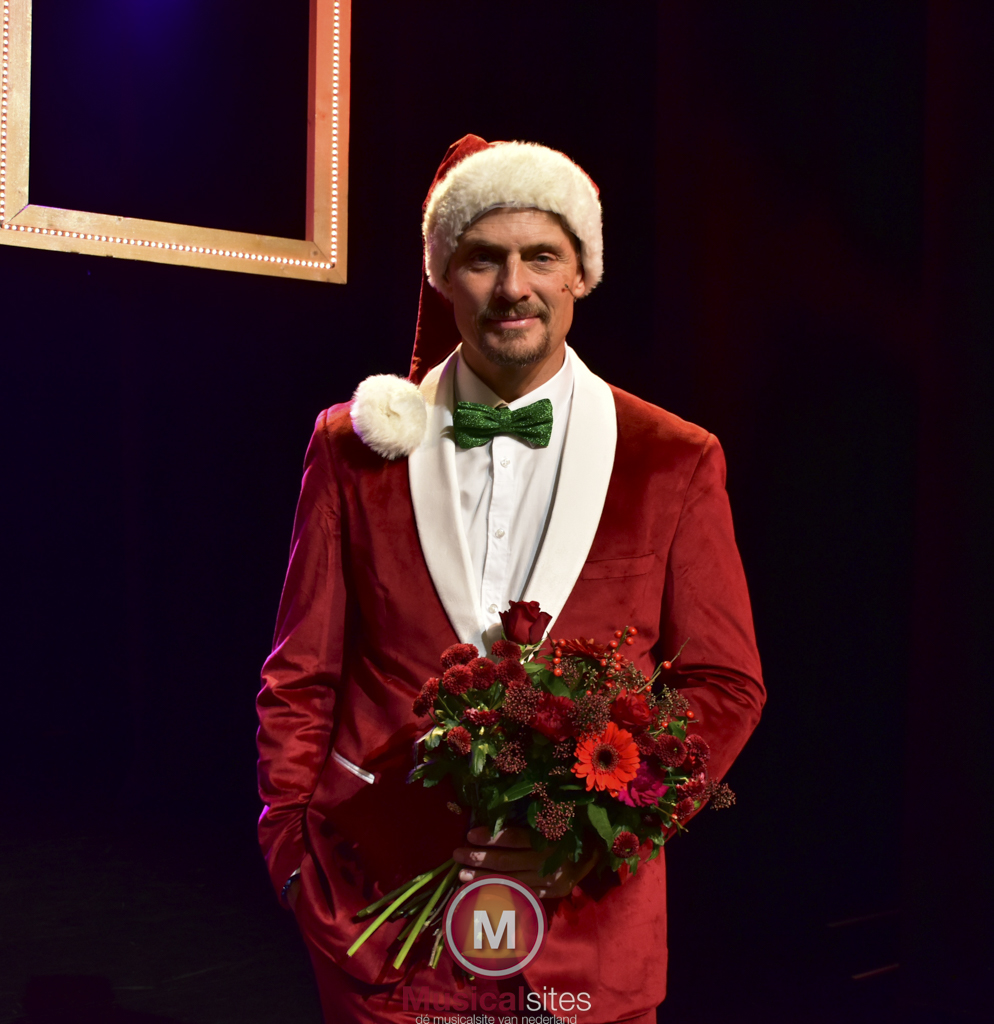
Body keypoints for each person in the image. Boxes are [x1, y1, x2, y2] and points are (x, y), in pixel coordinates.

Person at [256, 135, 765, 1024]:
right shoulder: (349, 447)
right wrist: (292, 857)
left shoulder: (674, 458)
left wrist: (605, 831)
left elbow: (724, 683)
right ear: (443, 276)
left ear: (581, 274)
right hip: (380, 912)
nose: (513, 286)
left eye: (542, 257)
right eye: (483, 258)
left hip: (587, 927)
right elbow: (301, 676)